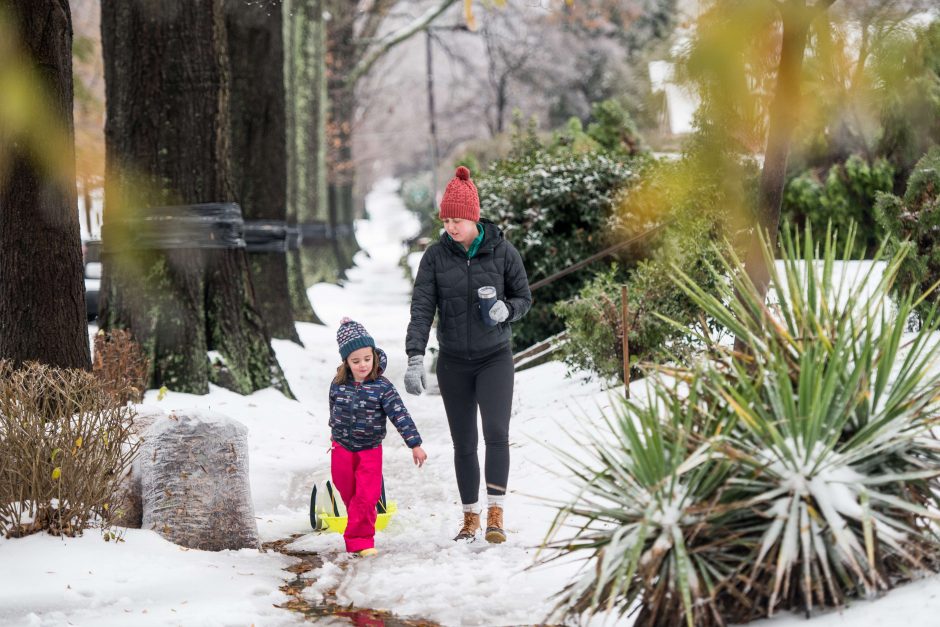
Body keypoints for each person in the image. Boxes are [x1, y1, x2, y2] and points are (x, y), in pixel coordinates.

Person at [404, 166, 532, 544]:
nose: (450, 227)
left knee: (496, 433)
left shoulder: (504, 252)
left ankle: (495, 512)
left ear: (474, 218)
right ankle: (469, 517)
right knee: (463, 442)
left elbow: (524, 297)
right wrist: (414, 356)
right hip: (454, 361)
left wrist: (507, 310)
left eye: (457, 219)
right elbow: (422, 308)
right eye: (445, 220)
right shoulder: (435, 257)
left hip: (495, 357)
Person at [330, 317, 427, 557]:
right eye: (356, 361)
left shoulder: (382, 387)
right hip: (341, 447)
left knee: (366, 495)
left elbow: (400, 415)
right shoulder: (338, 384)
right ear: (346, 361)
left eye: (367, 358)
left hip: (370, 449)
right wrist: (334, 431)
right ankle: (362, 519)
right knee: (346, 490)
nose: (362, 365)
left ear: (374, 356)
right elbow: (333, 408)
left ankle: (360, 541)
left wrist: (414, 444)